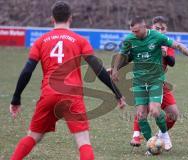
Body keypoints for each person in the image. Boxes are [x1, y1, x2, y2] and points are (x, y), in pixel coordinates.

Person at [9, 1, 125, 160]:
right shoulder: (80, 40)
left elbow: (27, 71)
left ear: (52, 19)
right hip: (72, 95)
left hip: (48, 95)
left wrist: (16, 98)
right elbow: (98, 69)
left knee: (33, 136)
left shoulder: (41, 40)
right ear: (71, 18)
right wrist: (117, 93)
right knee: (83, 141)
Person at [111, 16, 188, 154]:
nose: (134, 34)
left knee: (155, 111)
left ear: (144, 27)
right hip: (139, 82)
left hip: (155, 80)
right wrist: (114, 70)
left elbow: (177, 46)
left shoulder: (156, 37)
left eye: (136, 31)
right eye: (132, 31)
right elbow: (123, 55)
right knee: (141, 115)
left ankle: (164, 135)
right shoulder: (130, 40)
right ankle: (151, 145)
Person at [130, 16, 179, 147]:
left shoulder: (166, 43)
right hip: (144, 81)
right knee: (143, 109)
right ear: (152, 27)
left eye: (163, 29)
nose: (160, 31)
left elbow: (172, 62)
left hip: (159, 82)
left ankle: (160, 135)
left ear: (166, 30)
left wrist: (165, 54)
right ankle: (136, 135)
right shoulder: (145, 40)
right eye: (158, 28)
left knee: (173, 114)